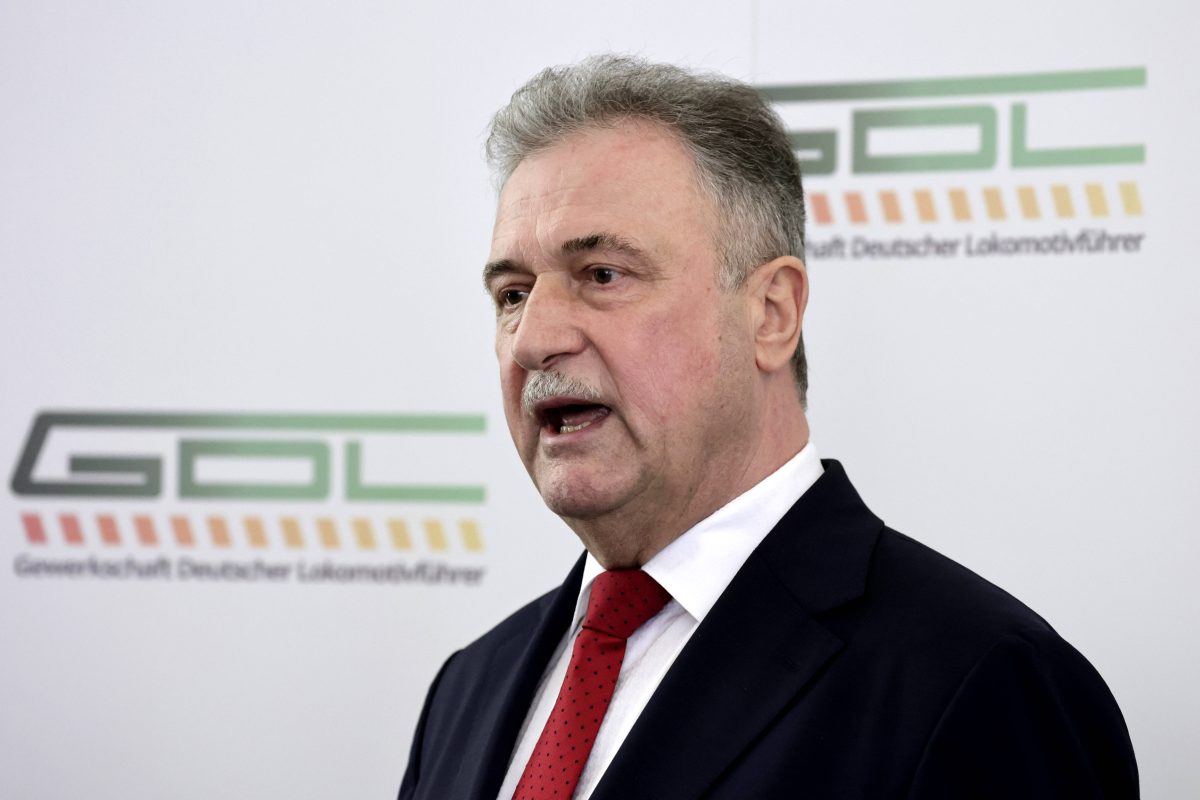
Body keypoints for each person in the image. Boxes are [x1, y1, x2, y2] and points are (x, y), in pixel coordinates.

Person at [398, 55, 1138, 799]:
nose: (533, 339)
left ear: (771, 314)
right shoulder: (467, 688)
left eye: (602, 275)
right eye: (513, 294)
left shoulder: (983, 682)